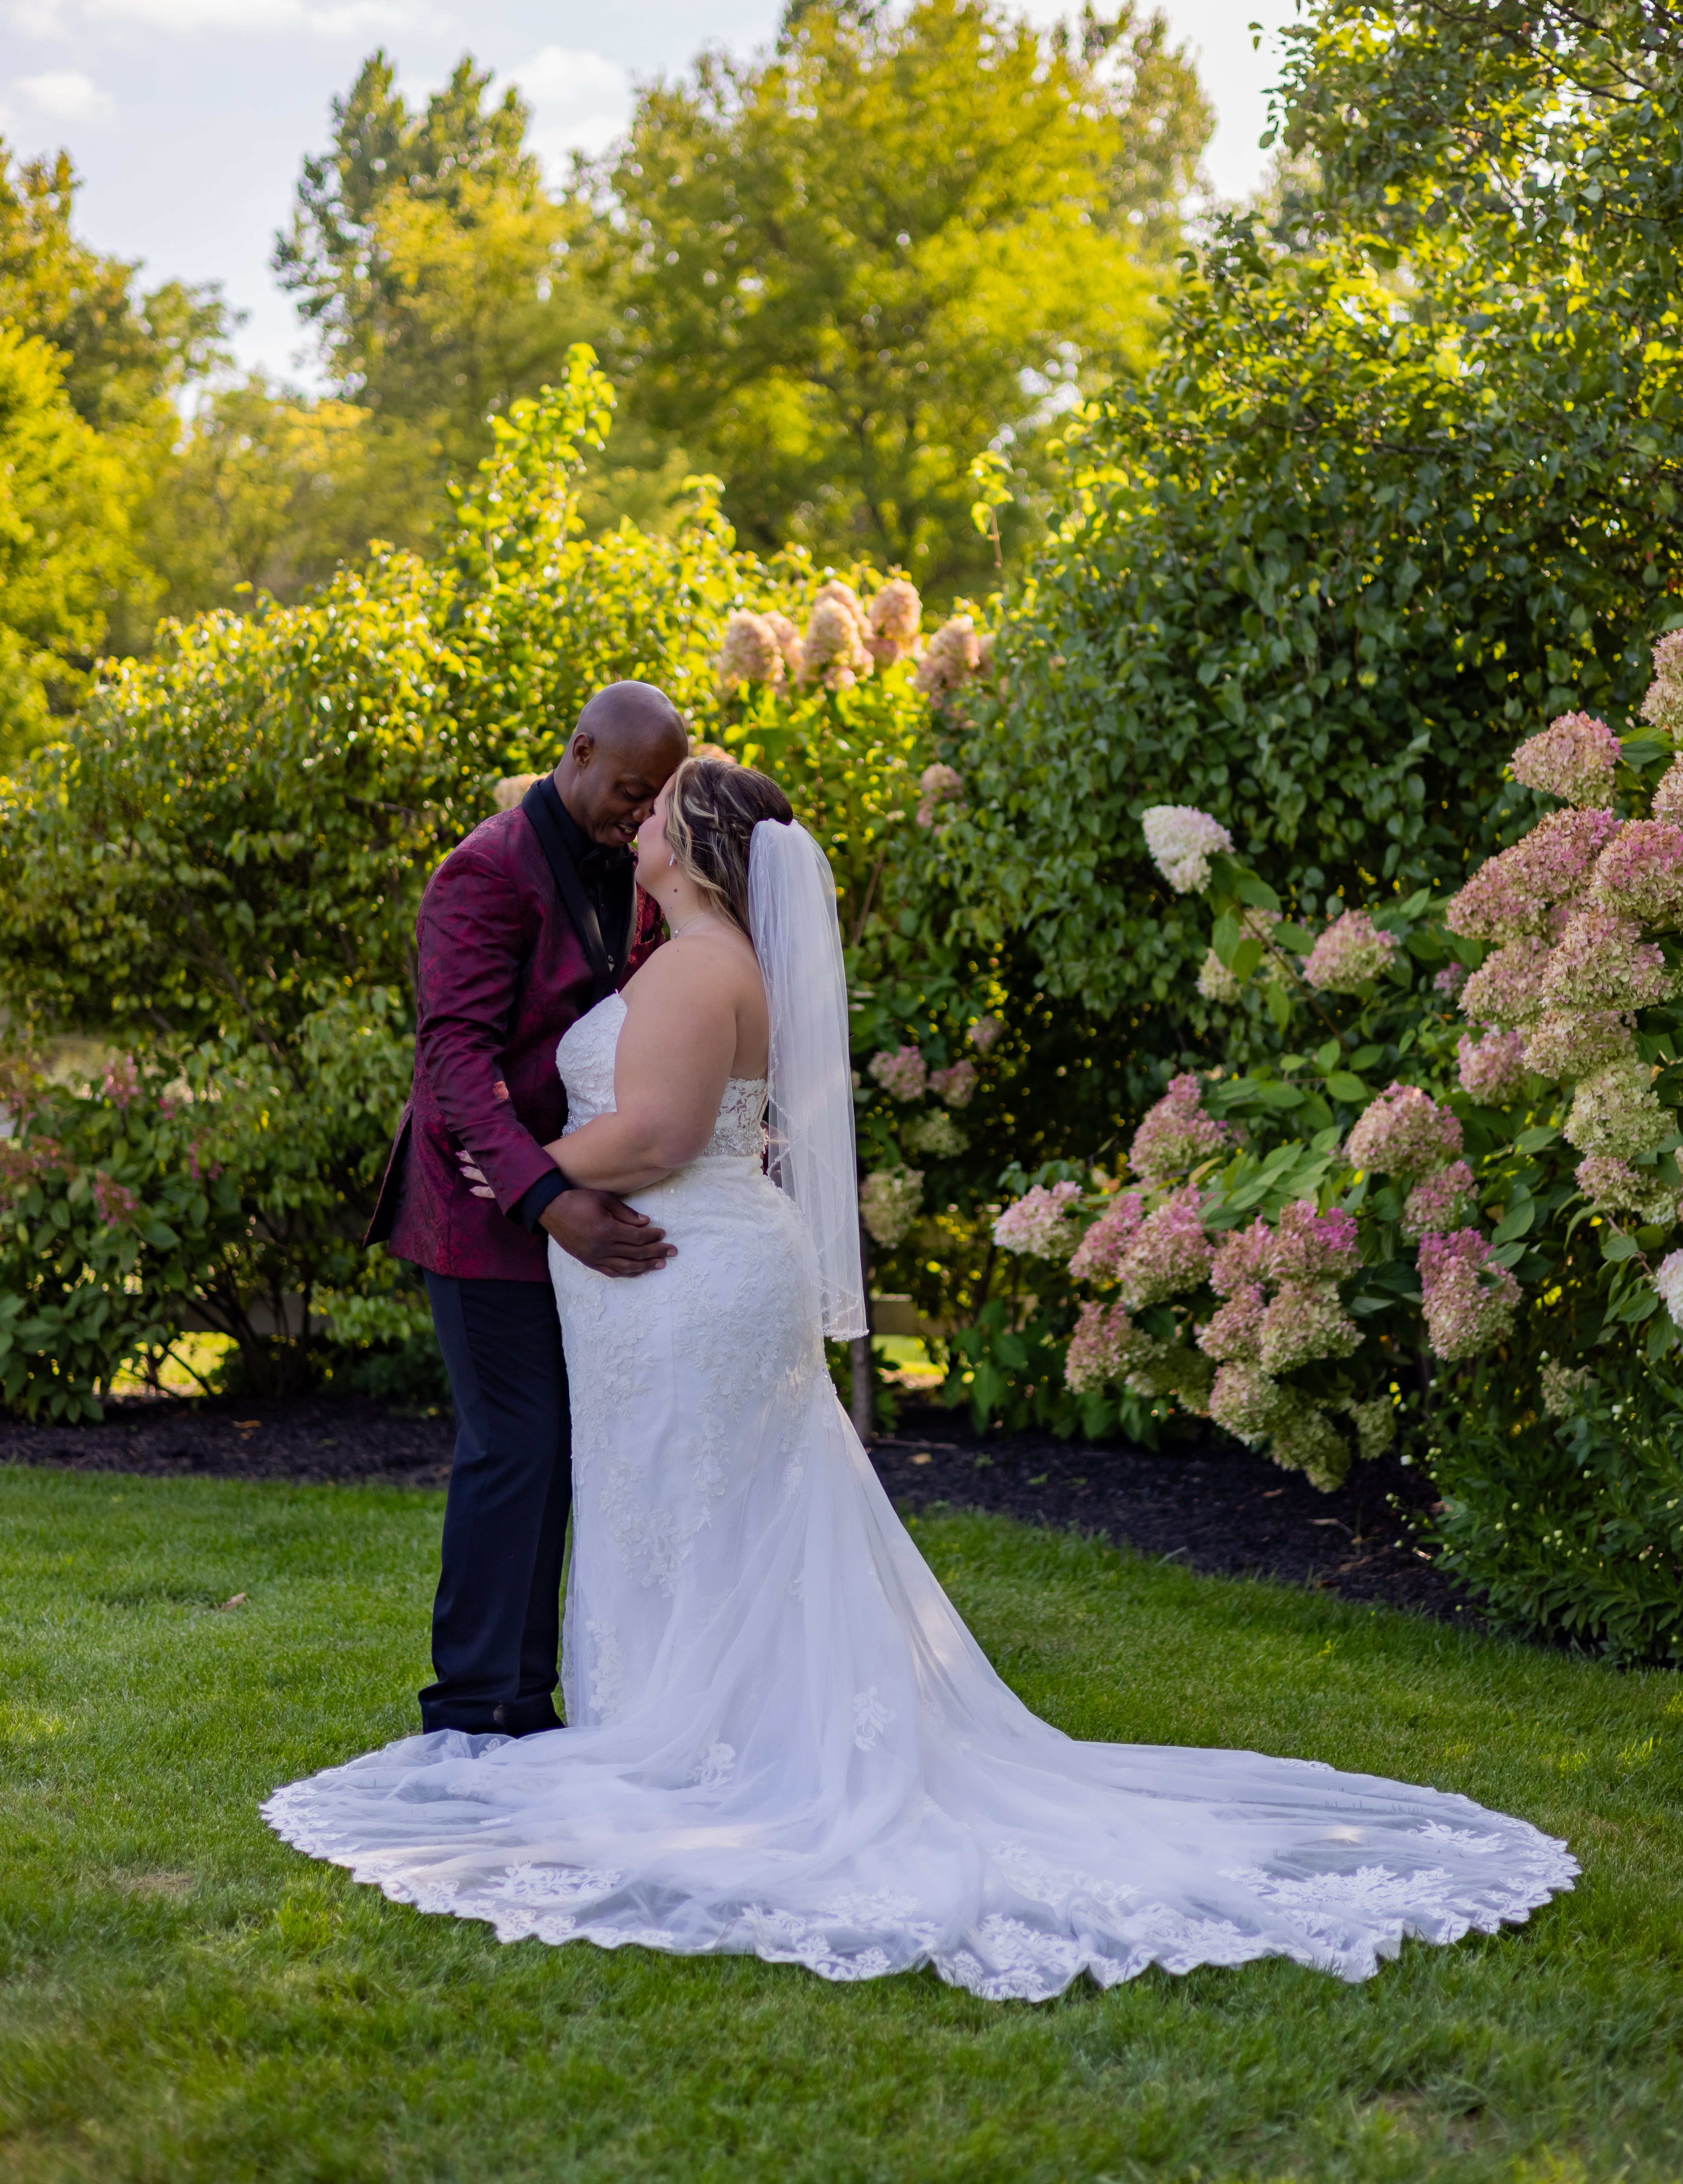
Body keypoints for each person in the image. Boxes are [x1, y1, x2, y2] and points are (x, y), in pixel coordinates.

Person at [268, 758, 1576, 1999]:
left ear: (701, 854)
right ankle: (702, 1724)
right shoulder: (705, 958)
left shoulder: (687, 972)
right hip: (691, 1271)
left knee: (688, 1496)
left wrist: (528, 1167)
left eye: (660, 810)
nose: (640, 824)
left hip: (681, 1269)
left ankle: (696, 1744)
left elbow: (662, 1133)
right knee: (706, 1500)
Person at [364, 681, 686, 1739]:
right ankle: (465, 1707)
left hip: (577, 1190)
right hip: (478, 1209)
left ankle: (524, 1697)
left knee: (562, 1445)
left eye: (655, 804)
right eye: (629, 793)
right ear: (580, 749)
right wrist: (547, 1195)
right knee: (517, 1443)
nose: (638, 818)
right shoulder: (484, 869)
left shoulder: (636, 868)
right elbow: (452, 1059)